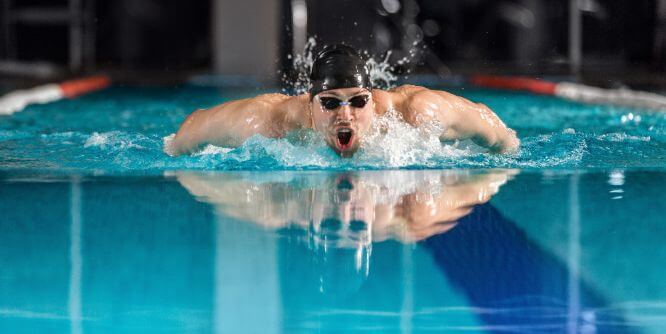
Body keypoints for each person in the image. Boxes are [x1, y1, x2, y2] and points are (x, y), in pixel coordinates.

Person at [169, 45, 519, 157]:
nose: (346, 115)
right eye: (331, 103)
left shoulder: (415, 114)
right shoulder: (268, 121)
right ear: (310, 104)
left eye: (357, 101)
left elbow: (497, 131)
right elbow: (189, 130)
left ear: (372, 99)